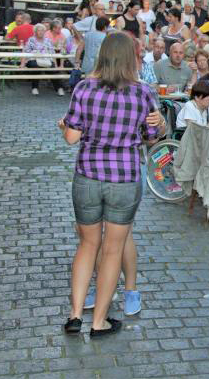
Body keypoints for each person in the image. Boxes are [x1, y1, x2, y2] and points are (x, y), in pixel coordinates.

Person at [60, 32, 165, 338]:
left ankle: (76, 314)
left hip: (88, 176)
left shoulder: (84, 87)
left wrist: (64, 125)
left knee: (87, 245)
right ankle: (99, 321)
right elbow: (151, 137)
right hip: (124, 178)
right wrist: (158, 125)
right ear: (131, 58)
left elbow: (71, 138)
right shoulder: (143, 93)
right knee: (112, 250)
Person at [24, 23, 64, 96]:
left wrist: (55, 64)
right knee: (35, 66)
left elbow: (52, 53)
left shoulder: (47, 40)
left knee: (52, 68)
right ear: (35, 32)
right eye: (39, 30)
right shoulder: (31, 39)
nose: (41, 32)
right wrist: (22, 64)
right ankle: (35, 88)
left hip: (46, 59)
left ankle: (59, 88)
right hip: (33, 59)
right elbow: (25, 51)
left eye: (42, 30)